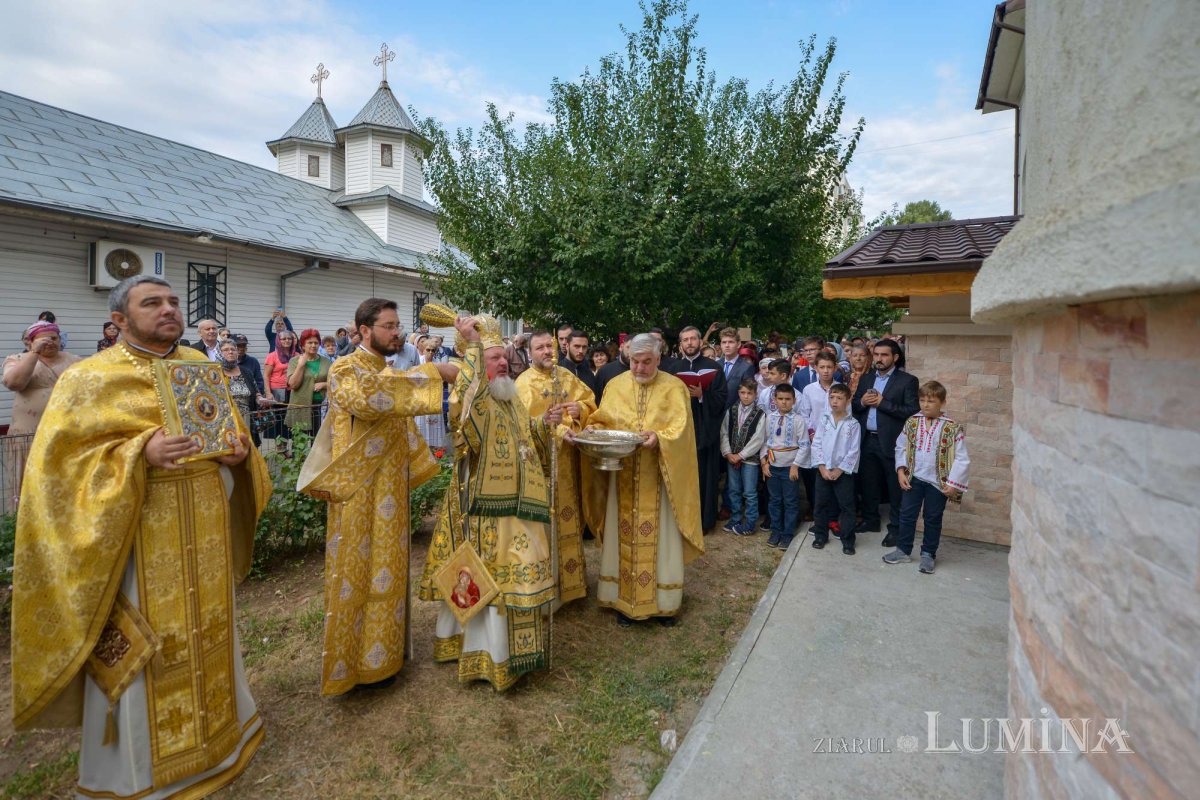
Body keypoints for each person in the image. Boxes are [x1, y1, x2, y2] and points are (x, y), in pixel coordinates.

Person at [11, 275, 269, 799]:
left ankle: (223, 740)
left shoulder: (200, 367)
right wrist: (136, 454)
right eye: (152, 303)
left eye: (173, 301)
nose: (169, 309)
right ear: (120, 321)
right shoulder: (89, 379)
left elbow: (230, 437)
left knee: (210, 630)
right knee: (146, 646)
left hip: (203, 534)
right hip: (132, 545)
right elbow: (58, 474)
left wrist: (239, 455)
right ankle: (140, 773)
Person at [302, 297, 456, 695]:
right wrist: (433, 373)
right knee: (357, 573)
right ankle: (354, 664)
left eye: (397, 325)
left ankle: (386, 656)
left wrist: (419, 463)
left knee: (389, 567)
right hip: (357, 490)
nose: (397, 332)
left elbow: (400, 422)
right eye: (388, 326)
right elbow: (371, 399)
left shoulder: (383, 369)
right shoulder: (346, 368)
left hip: (390, 490)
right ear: (364, 330)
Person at [419, 312, 562, 691]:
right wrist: (470, 345)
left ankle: (519, 653)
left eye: (504, 357)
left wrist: (543, 423)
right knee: (491, 578)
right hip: (487, 509)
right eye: (493, 358)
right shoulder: (476, 395)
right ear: (478, 363)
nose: (503, 363)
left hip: (521, 504)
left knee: (519, 577)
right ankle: (490, 656)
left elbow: (523, 438)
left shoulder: (510, 395)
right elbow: (468, 409)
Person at [570, 333, 703, 626]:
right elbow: (603, 419)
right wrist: (590, 429)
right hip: (624, 475)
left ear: (658, 359)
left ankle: (664, 602)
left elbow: (682, 431)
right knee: (623, 534)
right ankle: (623, 599)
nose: (639, 368)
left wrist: (661, 438)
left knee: (661, 538)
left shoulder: (674, 388)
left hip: (659, 477)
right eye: (634, 362)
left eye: (646, 362)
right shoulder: (616, 385)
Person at [515, 330, 597, 605]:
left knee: (569, 519)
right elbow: (523, 424)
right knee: (545, 527)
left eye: (549, 347)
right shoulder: (523, 384)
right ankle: (548, 589)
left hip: (568, 466)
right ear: (529, 352)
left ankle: (572, 586)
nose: (547, 352)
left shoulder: (565, 376)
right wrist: (559, 429)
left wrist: (580, 410)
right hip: (541, 468)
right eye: (540, 348)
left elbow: (589, 400)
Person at [885, 380, 970, 574]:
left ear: (942, 402)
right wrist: (901, 471)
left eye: (931, 401)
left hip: (937, 483)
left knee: (932, 518)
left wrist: (952, 483)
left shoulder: (952, 427)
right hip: (914, 478)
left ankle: (928, 554)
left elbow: (961, 458)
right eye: (922, 400)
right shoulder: (912, 422)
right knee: (906, 515)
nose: (925, 404)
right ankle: (903, 550)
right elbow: (901, 446)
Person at [3, 321, 82, 509]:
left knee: (63, 483)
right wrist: (34, 354)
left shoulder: (75, 361)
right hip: (28, 436)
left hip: (65, 435)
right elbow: (14, 383)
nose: (50, 342)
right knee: (27, 484)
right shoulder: (16, 359)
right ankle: (21, 522)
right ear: (30, 342)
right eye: (43, 339)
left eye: (54, 338)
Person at [852, 339, 919, 547]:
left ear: (895, 357)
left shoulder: (907, 381)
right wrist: (862, 402)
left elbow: (912, 412)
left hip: (892, 442)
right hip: (867, 440)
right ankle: (871, 520)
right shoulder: (867, 378)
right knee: (869, 484)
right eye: (877, 354)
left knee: (895, 488)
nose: (879, 359)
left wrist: (884, 403)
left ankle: (896, 529)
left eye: (884, 355)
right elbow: (854, 405)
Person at [676, 325, 727, 533]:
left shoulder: (713, 367)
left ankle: (703, 521)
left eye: (693, 339)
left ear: (700, 342)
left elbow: (722, 398)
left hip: (704, 430)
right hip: (679, 430)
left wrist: (701, 396)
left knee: (704, 476)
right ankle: (679, 519)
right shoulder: (672, 368)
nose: (689, 343)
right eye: (685, 340)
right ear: (681, 344)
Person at [809, 384, 861, 555]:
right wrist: (822, 467)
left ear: (848, 400)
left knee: (847, 506)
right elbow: (816, 444)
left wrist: (840, 470)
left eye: (839, 398)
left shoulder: (853, 424)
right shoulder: (824, 420)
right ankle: (820, 535)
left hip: (842, 473)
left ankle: (848, 540)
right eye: (832, 397)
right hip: (823, 470)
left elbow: (854, 450)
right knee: (821, 504)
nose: (835, 401)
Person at [759, 383, 808, 549]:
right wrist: (764, 462)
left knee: (790, 501)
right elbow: (764, 442)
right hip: (773, 466)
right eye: (780, 399)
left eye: (788, 399)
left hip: (789, 467)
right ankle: (776, 531)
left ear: (794, 401)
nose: (784, 402)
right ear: (775, 400)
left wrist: (795, 465)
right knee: (774, 500)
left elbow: (804, 445)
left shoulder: (799, 420)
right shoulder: (769, 418)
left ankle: (787, 533)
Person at [719, 378, 766, 536]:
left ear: (755, 394)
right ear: (738, 393)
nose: (746, 396)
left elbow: (758, 439)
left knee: (750, 492)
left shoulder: (760, 414)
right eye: (743, 393)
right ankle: (736, 517)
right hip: (732, 457)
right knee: (733, 489)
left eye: (749, 393)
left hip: (749, 460)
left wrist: (741, 455)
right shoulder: (731, 411)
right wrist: (728, 453)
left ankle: (751, 522)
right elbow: (724, 432)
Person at [798, 351, 839, 521]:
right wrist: (812, 433)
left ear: (835, 368)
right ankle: (817, 512)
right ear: (815, 368)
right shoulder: (809, 389)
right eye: (822, 367)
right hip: (814, 440)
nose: (826, 371)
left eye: (829, 367)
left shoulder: (839, 389)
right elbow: (804, 414)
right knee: (815, 477)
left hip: (835, 441)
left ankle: (833, 516)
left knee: (833, 477)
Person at [286, 328, 330, 434]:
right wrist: (301, 365)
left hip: (319, 407)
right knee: (300, 442)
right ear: (303, 345)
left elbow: (336, 382)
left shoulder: (326, 362)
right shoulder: (294, 361)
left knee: (317, 441)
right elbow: (293, 385)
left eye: (316, 343)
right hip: (300, 407)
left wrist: (324, 384)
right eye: (310, 342)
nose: (313, 345)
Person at [263, 329, 297, 444]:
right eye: (283, 338)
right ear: (278, 340)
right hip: (277, 391)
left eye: (289, 338)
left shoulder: (297, 355)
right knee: (279, 420)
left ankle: (293, 446)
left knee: (290, 419)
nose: (287, 340)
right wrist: (268, 393)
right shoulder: (272, 356)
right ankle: (281, 448)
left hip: (292, 391)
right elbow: (266, 376)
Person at [416, 336, 448, 449]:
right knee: (421, 425)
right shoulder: (418, 361)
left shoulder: (437, 363)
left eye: (433, 350)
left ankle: (435, 450)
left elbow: (443, 379)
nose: (430, 352)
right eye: (428, 350)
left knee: (434, 425)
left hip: (434, 398)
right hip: (421, 398)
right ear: (423, 350)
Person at [717, 327, 754, 406]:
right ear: (720, 344)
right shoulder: (716, 364)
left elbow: (747, 394)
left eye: (731, 342)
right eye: (724, 342)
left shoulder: (747, 367)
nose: (727, 345)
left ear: (738, 344)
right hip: (715, 412)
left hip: (735, 413)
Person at [220, 339, 254, 425]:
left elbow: (256, 392)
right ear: (219, 353)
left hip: (245, 418)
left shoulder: (246, 372)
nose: (230, 352)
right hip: (224, 419)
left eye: (233, 349)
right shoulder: (215, 373)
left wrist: (260, 398)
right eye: (226, 350)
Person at [593, 336, 630, 404]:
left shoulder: (643, 370)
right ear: (621, 347)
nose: (631, 351)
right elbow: (597, 400)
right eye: (628, 347)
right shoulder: (604, 371)